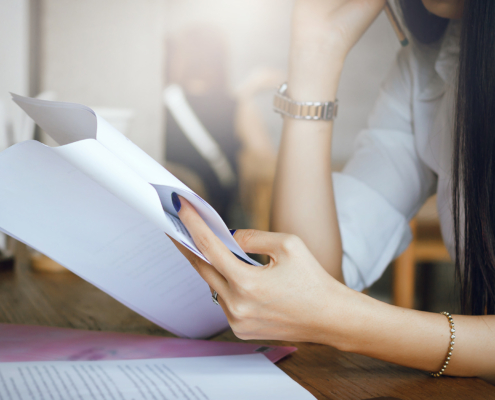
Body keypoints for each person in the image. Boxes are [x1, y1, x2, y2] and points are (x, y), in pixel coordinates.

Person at [170, 0, 495, 382]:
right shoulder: (431, 64)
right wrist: (316, 53)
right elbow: (310, 279)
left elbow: (316, 305)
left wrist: (343, 320)